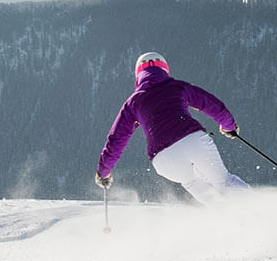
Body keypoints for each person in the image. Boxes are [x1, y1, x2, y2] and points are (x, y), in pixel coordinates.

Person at [95, 51, 250, 205]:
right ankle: (259, 211)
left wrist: (103, 172)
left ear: (137, 76)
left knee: (193, 182)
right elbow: (210, 104)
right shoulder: (177, 87)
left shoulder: (132, 103)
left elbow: (116, 140)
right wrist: (229, 126)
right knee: (224, 182)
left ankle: (232, 218)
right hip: (192, 140)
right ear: (165, 69)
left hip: (163, 158)